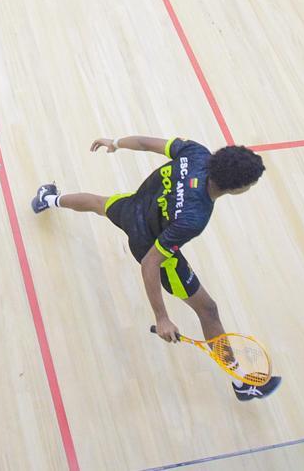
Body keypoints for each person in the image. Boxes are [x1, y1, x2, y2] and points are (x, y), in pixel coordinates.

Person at [31, 135, 282, 401]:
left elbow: (144, 143)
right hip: (149, 243)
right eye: (251, 184)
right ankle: (242, 383)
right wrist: (161, 317)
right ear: (237, 188)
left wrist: (115, 142)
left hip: (135, 207)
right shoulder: (194, 217)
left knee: (99, 204)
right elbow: (151, 262)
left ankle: (47, 199)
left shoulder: (197, 153)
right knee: (208, 311)